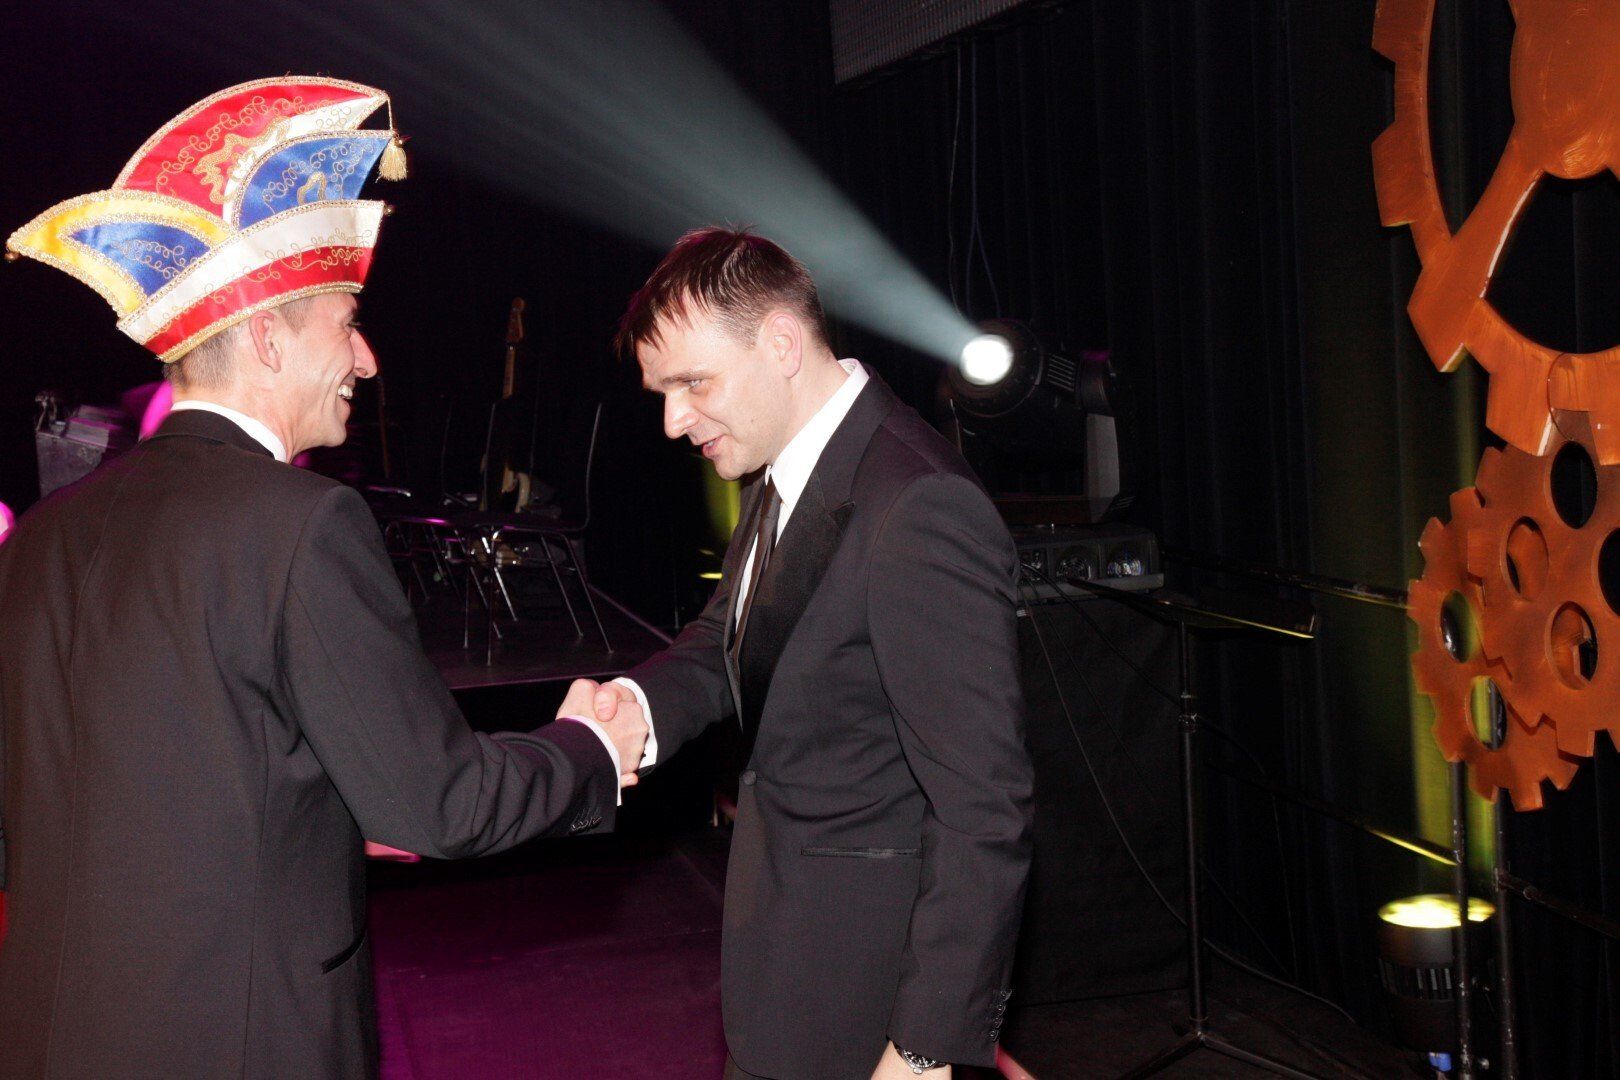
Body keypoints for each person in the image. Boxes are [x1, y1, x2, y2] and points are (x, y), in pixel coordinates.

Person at [0, 78, 646, 1078]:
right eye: (347, 321)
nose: (367, 358)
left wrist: (321, 811)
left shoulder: (42, 535)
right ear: (268, 337)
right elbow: (443, 804)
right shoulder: (303, 524)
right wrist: (591, 749)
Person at [579, 227, 1034, 1080]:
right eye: (663, 392)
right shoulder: (785, 465)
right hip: (789, 968)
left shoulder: (918, 505)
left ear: (782, 344)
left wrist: (925, 1046)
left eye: (693, 383)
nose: (673, 421)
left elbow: (985, 806)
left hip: (869, 1002)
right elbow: (729, 637)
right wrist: (634, 709)